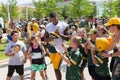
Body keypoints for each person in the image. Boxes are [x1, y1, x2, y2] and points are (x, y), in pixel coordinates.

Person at [45, 12, 69, 80]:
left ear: (57, 17)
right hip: (51, 48)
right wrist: (51, 38)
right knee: (55, 68)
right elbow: (45, 38)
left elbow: (68, 38)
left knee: (56, 67)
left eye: (55, 19)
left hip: (60, 49)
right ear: (50, 19)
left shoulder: (64, 25)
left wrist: (60, 35)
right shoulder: (48, 26)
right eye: (52, 20)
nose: (54, 21)